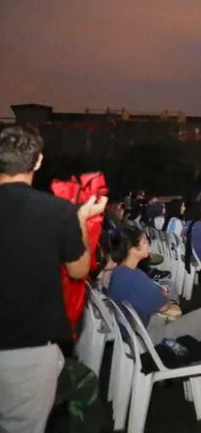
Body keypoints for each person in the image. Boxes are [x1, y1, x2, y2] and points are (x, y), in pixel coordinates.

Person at [0, 126, 105, 433]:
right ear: (37, 161)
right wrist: (81, 219)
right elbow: (79, 270)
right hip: (28, 350)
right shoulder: (56, 211)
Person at [105, 225, 201, 406]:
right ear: (133, 248)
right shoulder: (132, 277)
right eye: (145, 241)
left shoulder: (121, 273)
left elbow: (161, 300)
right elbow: (166, 305)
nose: (148, 243)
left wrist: (166, 300)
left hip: (144, 334)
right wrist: (168, 300)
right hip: (153, 339)